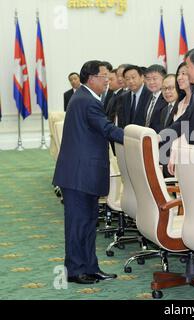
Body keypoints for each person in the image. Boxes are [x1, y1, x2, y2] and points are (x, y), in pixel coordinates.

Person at [52, 60, 124, 285]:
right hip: (79, 175)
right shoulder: (87, 101)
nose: (107, 80)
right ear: (92, 78)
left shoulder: (85, 98)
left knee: (87, 223)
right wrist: (139, 137)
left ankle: (90, 267)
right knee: (78, 225)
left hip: (82, 174)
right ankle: (75, 271)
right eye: (104, 76)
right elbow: (106, 129)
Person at [143, 64, 168, 133]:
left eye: (154, 78)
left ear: (164, 79)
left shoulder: (167, 97)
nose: (151, 82)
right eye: (148, 79)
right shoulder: (150, 96)